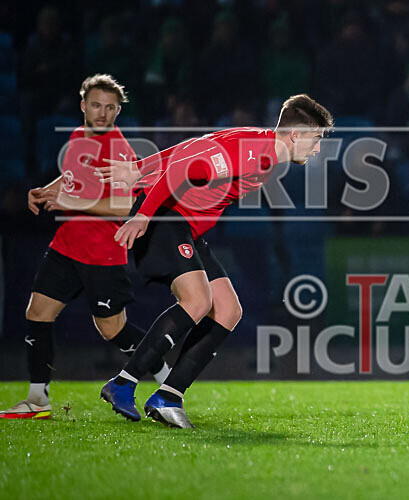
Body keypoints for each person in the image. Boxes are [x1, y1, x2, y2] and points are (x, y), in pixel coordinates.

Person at [97, 94, 333, 428]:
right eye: (316, 139)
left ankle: (169, 396)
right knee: (197, 301)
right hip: (166, 218)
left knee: (228, 310)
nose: (318, 148)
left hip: (184, 227)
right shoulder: (257, 156)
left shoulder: (257, 142)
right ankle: (123, 383)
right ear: (295, 135)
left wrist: (139, 169)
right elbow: (182, 167)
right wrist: (144, 216)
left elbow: (193, 147)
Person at [1, 74, 169, 420]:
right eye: (96, 105)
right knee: (37, 312)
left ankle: (166, 376)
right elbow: (73, 179)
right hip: (65, 246)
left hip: (101, 253)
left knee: (111, 328)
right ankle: (37, 400)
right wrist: (47, 190)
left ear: (118, 112)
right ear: (83, 106)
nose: (102, 113)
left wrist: (70, 202)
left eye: (110, 108)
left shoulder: (119, 150)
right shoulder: (79, 137)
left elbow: (123, 207)